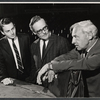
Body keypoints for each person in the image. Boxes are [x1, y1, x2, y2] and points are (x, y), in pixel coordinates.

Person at [37, 20, 100, 97]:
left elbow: (83, 63)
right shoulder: (81, 49)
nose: (73, 41)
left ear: (89, 35)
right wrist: (52, 67)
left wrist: (50, 66)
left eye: (76, 37)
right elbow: (65, 57)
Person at [27, 15, 71, 96]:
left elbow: (67, 67)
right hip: (40, 89)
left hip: (57, 89)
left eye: (45, 28)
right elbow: (34, 69)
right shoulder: (33, 45)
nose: (44, 32)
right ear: (34, 32)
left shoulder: (61, 42)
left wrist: (53, 70)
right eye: (39, 31)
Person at [0, 18, 31, 85]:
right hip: (12, 79)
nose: (12, 32)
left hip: (28, 77)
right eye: (8, 31)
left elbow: (31, 59)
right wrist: (4, 78)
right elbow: (1, 64)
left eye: (13, 28)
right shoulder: (1, 44)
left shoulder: (25, 38)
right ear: (2, 32)